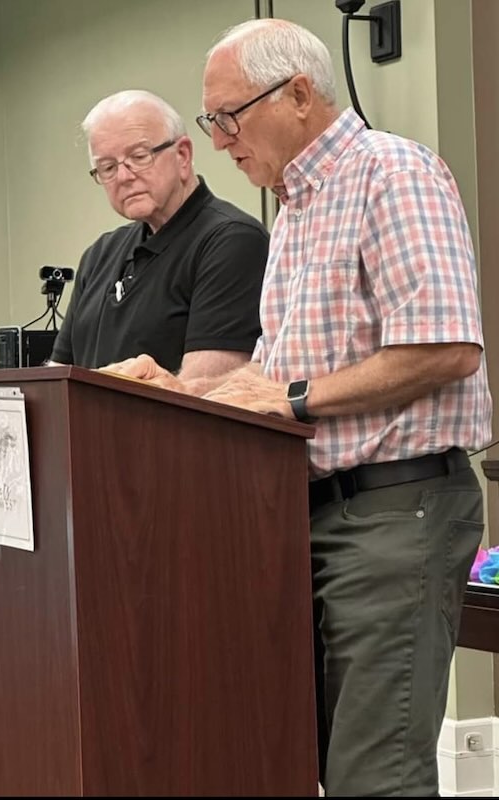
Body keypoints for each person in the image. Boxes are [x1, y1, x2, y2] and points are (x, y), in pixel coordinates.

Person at [103, 19, 494, 798]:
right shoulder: (296, 209)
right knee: (302, 758)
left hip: (395, 509)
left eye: (227, 117)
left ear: (301, 94)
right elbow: (284, 374)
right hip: (305, 513)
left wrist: (289, 396)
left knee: (374, 777)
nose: (219, 140)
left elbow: (446, 347)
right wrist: (181, 391)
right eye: (212, 120)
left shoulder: (392, 173)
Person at [48, 90, 269, 390]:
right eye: (108, 167)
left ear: (183, 155)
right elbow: (58, 381)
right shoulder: (99, 254)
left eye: (139, 157)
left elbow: (204, 393)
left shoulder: (232, 242)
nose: (123, 176)